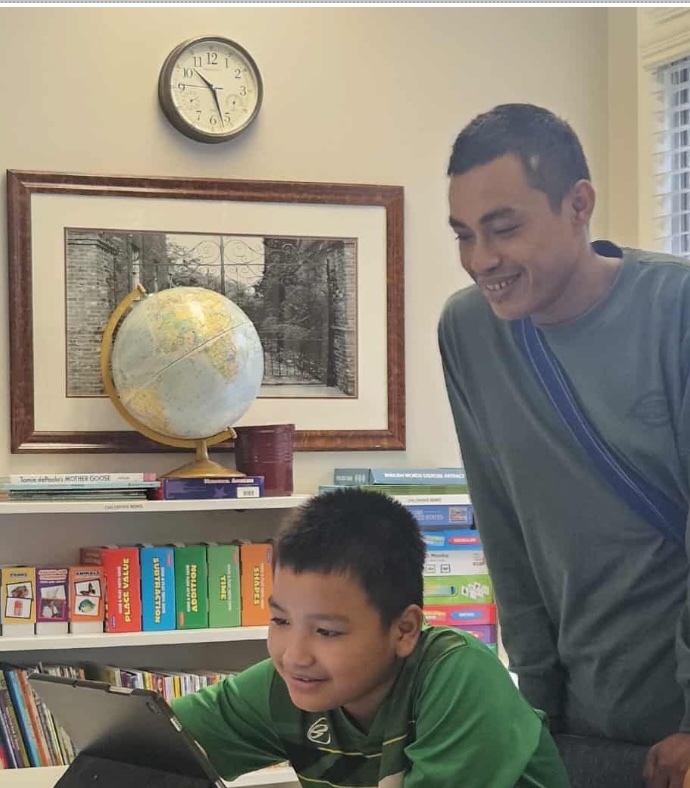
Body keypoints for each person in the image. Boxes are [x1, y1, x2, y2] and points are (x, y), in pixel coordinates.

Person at [438, 102, 690, 788]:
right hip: (585, 721)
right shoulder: (469, 332)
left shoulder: (676, 311)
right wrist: (536, 712)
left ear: (579, 204)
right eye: (464, 235)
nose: (481, 260)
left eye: (504, 228)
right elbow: (504, 527)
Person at [171, 487, 569, 787]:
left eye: (326, 631)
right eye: (280, 621)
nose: (294, 655)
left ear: (404, 629)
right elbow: (147, 747)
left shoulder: (460, 675)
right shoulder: (286, 684)